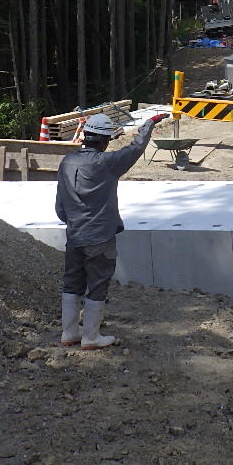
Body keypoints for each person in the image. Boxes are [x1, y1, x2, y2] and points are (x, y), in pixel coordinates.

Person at [56, 111, 168, 349]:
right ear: (105, 141)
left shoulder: (67, 162)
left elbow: (60, 206)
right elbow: (134, 149)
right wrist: (148, 125)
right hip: (99, 237)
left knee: (72, 283)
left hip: (74, 235)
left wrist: (74, 222)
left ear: (86, 136)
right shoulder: (106, 163)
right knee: (97, 284)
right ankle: (91, 337)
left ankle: (69, 333)